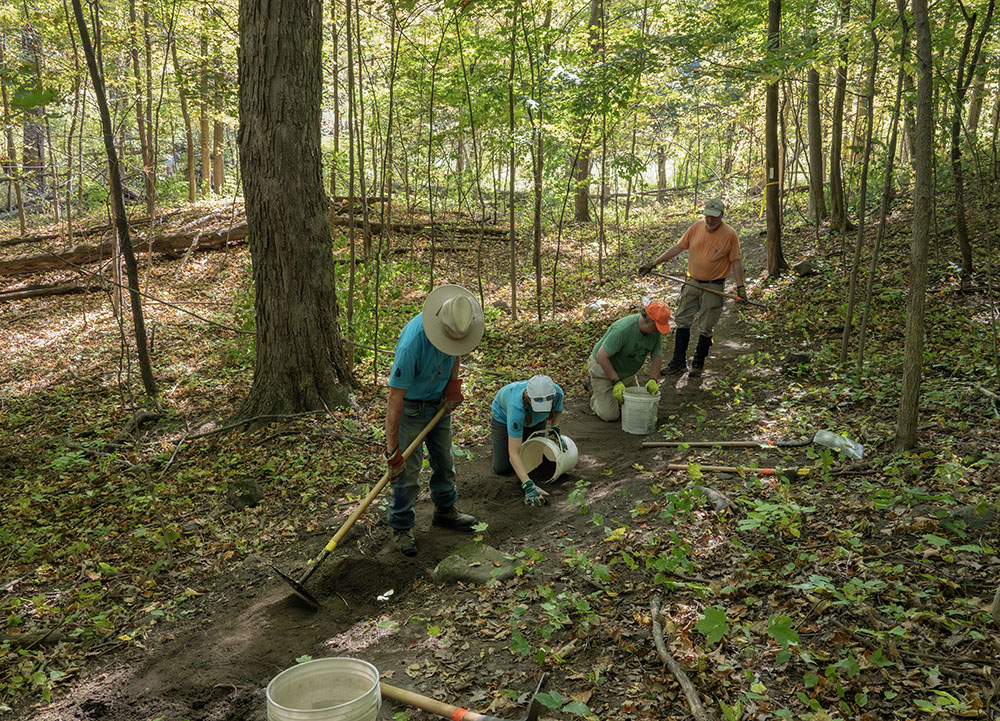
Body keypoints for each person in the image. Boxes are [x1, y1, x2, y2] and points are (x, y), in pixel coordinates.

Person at [384, 285, 484, 557]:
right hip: (411, 409)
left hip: (438, 402)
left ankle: (445, 510)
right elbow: (394, 399)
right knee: (408, 472)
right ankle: (402, 526)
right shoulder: (412, 343)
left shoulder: (457, 326)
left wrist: (453, 387)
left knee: (445, 460)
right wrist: (392, 451)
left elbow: (455, 353)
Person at [639, 198, 747, 378]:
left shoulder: (730, 234)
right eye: (707, 216)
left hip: (714, 286)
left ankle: (698, 363)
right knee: (682, 320)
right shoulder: (696, 227)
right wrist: (654, 263)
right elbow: (678, 248)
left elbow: (736, 262)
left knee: (706, 326)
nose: (709, 220)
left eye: (713, 217)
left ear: (721, 215)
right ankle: (678, 362)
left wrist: (740, 287)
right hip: (692, 283)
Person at [587, 300, 671, 422]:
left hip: (627, 373)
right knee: (610, 415)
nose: (658, 331)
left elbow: (656, 357)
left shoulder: (654, 332)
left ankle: (612, 390)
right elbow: (601, 356)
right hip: (603, 370)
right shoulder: (622, 330)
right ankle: (594, 392)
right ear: (648, 321)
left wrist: (653, 379)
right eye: (657, 326)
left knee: (636, 403)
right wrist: (616, 381)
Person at [490, 375, 565, 506]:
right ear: (529, 398)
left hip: (536, 420)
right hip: (503, 417)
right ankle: (501, 446)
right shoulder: (516, 408)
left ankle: (520, 440)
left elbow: (557, 411)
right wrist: (528, 486)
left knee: (534, 461)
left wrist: (555, 428)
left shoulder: (557, 392)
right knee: (502, 468)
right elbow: (514, 454)